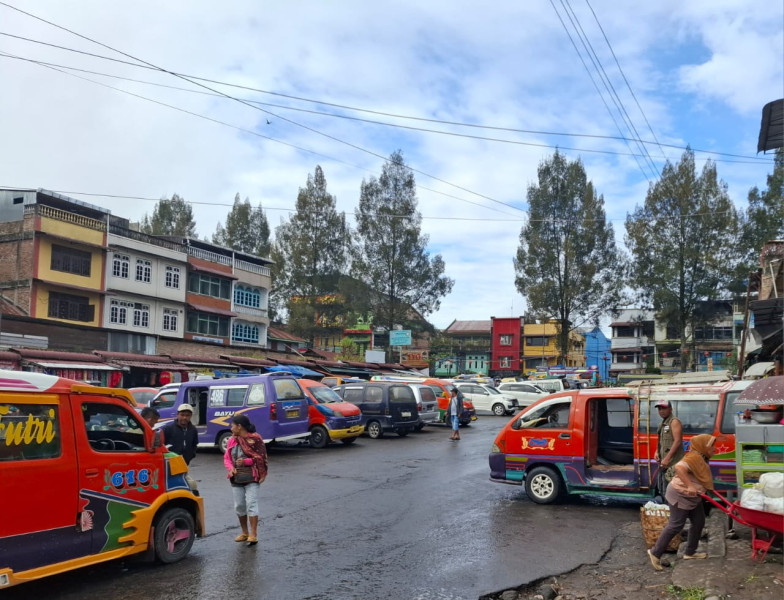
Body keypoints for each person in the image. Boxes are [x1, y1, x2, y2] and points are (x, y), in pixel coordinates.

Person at [647, 434, 717, 570]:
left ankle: (690, 552)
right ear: (704, 446)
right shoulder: (694, 457)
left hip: (693, 497)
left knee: (699, 522)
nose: (715, 449)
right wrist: (690, 486)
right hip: (679, 494)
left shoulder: (701, 458)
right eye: (712, 445)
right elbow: (679, 468)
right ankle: (655, 553)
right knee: (676, 525)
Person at [224, 414, 268, 546]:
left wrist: (246, 461)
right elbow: (226, 457)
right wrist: (230, 468)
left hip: (252, 477)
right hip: (236, 478)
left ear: (239, 426)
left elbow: (261, 457)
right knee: (239, 506)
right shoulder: (232, 440)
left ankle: (253, 534)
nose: (231, 428)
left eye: (232, 426)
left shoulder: (255, 439)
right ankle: (244, 533)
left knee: (251, 504)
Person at [653, 399, 684, 496]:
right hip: (665, 464)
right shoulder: (662, 424)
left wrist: (667, 458)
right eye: (659, 409)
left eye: (664, 408)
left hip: (673, 464)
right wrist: (657, 451)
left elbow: (677, 441)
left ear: (670, 409)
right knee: (664, 490)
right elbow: (661, 442)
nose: (661, 411)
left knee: (673, 492)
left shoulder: (674, 422)